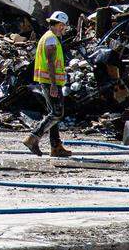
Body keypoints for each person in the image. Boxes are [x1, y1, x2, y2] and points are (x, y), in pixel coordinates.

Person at [24, 11, 73, 157]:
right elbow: (51, 62)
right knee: (56, 113)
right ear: (58, 25)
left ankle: (56, 147)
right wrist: (53, 84)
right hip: (50, 82)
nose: (64, 29)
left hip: (49, 81)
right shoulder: (51, 40)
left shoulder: (49, 37)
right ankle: (32, 138)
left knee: (53, 114)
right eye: (63, 26)